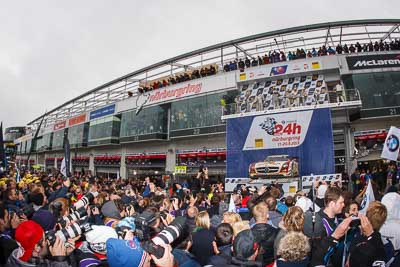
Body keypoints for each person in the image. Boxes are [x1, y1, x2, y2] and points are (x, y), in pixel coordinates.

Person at [6, 220, 74, 266]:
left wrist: (66, 254)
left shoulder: (13, 258)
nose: (48, 240)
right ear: (37, 247)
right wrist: (60, 261)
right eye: (44, 239)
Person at [347, 202, 388, 266]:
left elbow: (348, 263)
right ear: (383, 221)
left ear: (367, 217)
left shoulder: (357, 240)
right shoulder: (387, 245)